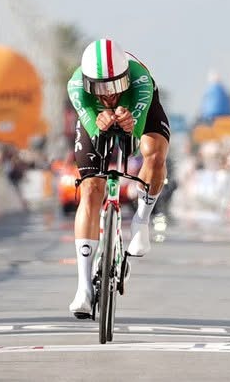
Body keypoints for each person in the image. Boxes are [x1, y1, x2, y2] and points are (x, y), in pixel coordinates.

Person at [64, 39, 168, 319]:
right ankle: (84, 288)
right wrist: (98, 120)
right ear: (88, 84)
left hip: (137, 106)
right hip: (95, 115)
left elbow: (132, 147)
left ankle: (141, 221)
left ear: (126, 78)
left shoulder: (140, 81)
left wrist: (130, 122)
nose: (109, 95)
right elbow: (95, 134)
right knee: (90, 189)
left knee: (155, 155)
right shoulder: (76, 86)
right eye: (100, 89)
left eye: (115, 86)